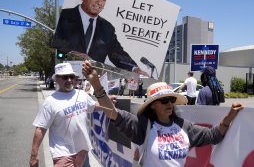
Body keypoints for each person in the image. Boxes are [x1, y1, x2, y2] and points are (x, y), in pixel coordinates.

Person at [82, 60, 244, 166]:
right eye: (164, 101)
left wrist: (229, 118)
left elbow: (213, 136)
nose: (169, 104)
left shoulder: (184, 126)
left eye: (171, 100)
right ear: (153, 105)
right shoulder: (143, 125)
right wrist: (96, 84)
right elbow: (112, 112)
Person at [29, 63, 112, 167]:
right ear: (57, 79)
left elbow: (94, 106)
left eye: (71, 76)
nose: (69, 80)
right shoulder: (50, 102)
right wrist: (34, 155)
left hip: (83, 152)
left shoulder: (81, 94)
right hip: (63, 154)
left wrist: (108, 101)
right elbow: (40, 128)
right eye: (64, 77)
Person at [52, 0, 148, 76]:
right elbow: (58, 42)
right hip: (68, 75)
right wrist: (73, 53)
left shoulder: (107, 28)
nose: (99, 2)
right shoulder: (65, 16)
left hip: (93, 78)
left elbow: (117, 53)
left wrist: (134, 68)